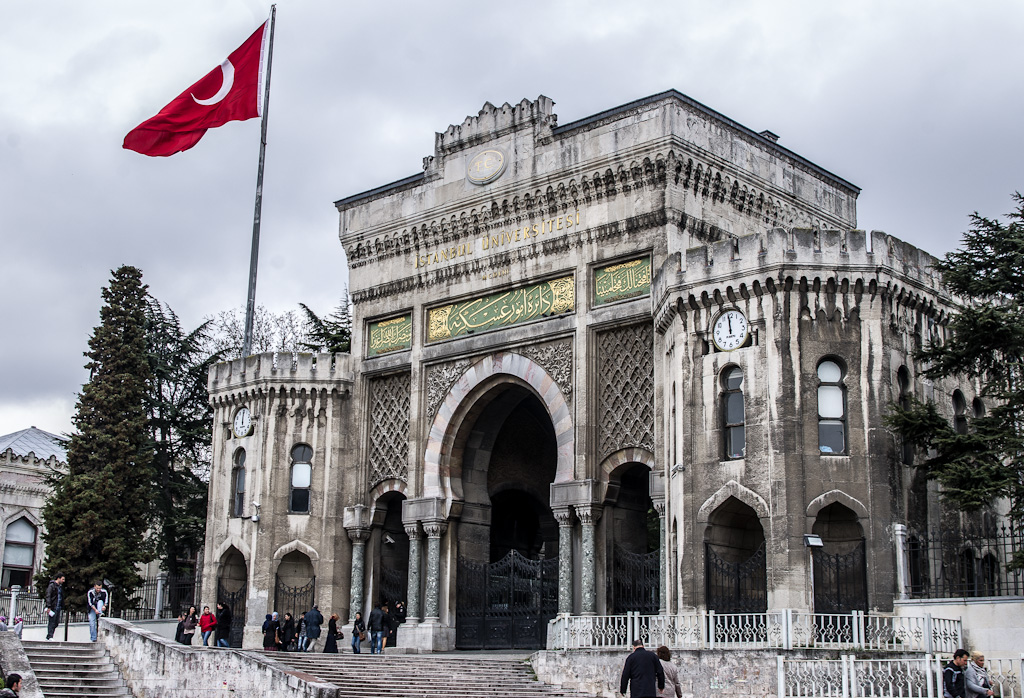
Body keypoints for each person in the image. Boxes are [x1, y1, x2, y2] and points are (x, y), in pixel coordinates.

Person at [44, 574, 65, 640]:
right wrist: (49, 606)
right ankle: (50, 636)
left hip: (58, 606)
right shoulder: (52, 586)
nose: (63, 581)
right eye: (62, 579)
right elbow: (48, 595)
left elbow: (61, 596)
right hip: (53, 606)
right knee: (52, 622)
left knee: (56, 622)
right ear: (58, 578)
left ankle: (49, 636)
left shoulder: (60, 587)